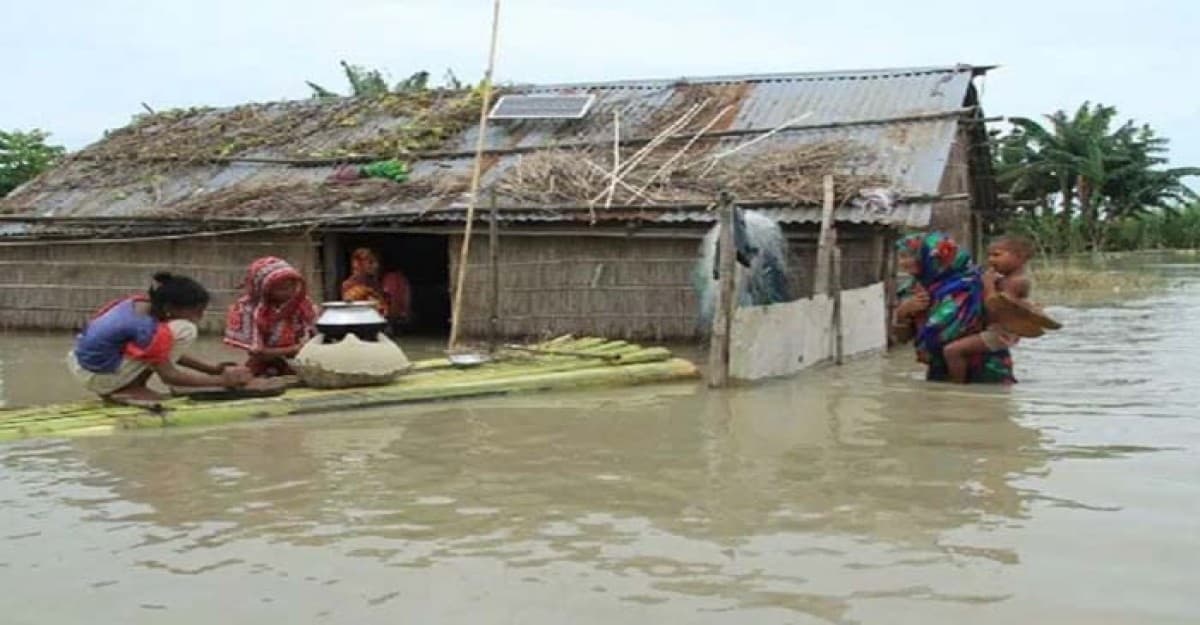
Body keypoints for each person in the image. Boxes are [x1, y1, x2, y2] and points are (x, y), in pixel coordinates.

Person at [68, 272, 253, 403]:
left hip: (83, 367)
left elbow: (159, 353)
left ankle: (125, 385)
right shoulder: (147, 330)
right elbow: (169, 377)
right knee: (185, 329)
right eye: (196, 311)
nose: (199, 317)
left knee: (172, 334)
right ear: (171, 307)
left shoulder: (138, 303)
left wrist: (211, 369)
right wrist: (223, 381)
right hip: (99, 377)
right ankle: (129, 388)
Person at [889, 232, 1015, 384]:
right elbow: (902, 339)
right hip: (940, 370)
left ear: (936, 256)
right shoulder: (911, 289)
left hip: (986, 370)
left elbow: (1005, 320)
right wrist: (903, 312)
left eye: (912, 255)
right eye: (902, 256)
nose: (905, 262)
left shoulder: (977, 283)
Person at [941, 236, 1036, 383]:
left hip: (1000, 333)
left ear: (1019, 257)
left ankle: (957, 387)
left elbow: (996, 306)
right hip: (995, 329)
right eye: (989, 255)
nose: (991, 260)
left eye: (997, 255)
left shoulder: (1017, 282)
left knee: (952, 351)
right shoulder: (1006, 278)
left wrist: (988, 285)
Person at [224, 256, 318, 376]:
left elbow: (316, 333)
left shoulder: (302, 304)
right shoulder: (249, 310)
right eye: (282, 289)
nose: (290, 292)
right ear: (265, 289)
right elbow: (257, 352)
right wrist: (293, 349)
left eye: (292, 286)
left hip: (297, 358)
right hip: (262, 361)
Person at [340, 247, 412, 332]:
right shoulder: (349, 285)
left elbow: (386, 309)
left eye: (377, 262)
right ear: (358, 264)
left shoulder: (377, 283)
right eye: (370, 262)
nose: (376, 265)